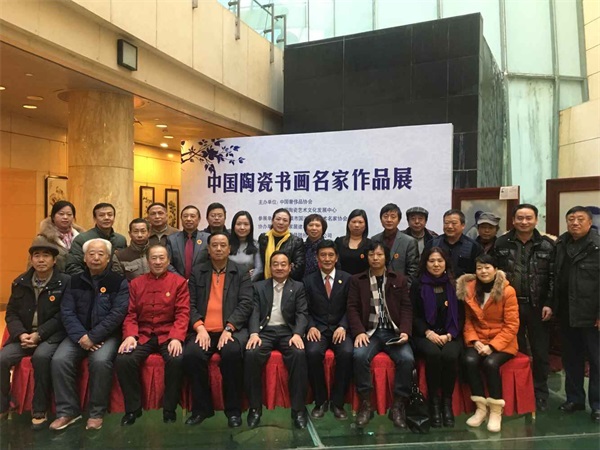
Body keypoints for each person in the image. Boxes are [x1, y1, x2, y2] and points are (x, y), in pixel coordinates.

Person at [50, 238, 129, 431]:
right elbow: (67, 311)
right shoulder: (74, 281)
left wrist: (93, 337)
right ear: (84, 258)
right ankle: (68, 411)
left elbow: (117, 314)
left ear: (108, 258)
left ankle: (96, 413)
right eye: (91, 254)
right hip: (77, 335)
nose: (96, 258)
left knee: (100, 361)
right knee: (60, 360)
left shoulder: (119, 282)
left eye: (101, 254)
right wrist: (81, 336)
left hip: (106, 335)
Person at [183, 232, 254, 428]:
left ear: (229, 249)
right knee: (191, 354)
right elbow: (189, 304)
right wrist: (199, 327)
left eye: (223, 245)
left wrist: (229, 328)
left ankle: (234, 411)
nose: (219, 248)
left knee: (232, 354)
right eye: (214, 245)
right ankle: (201, 409)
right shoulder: (198, 272)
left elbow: (246, 303)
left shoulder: (241, 272)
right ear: (208, 249)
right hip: (203, 330)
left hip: (231, 330)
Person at [116, 245, 189, 425]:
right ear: (147, 261)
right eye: (154, 258)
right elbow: (131, 314)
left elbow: (182, 313)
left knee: (176, 359)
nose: (157, 262)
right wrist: (130, 335)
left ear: (168, 260)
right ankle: (133, 409)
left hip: (168, 333)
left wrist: (176, 337)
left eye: (161, 258)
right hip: (143, 334)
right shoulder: (136, 283)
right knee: (124, 359)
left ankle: (169, 408)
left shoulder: (179, 282)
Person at [0, 238, 69, 429]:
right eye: (36, 256)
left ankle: (40, 408)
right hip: (23, 336)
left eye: (46, 256)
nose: (41, 260)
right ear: (31, 260)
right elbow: (11, 313)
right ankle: (3, 405)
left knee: (41, 357)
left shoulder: (65, 282)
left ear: (54, 260)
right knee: (2, 359)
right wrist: (21, 334)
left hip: (50, 337)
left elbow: (63, 315)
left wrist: (39, 335)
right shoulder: (20, 282)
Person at [493, 203, 555, 411]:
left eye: (529, 218)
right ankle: (518, 392)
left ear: (536, 220)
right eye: (520, 218)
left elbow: (553, 277)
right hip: (510, 306)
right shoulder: (502, 243)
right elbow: (494, 276)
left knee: (540, 351)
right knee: (514, 351)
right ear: (513, 220)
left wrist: (549, 303)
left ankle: (540, 393)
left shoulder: (547, 245)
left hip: (538, 306)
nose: (524, 222)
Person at [347, 241, 414, 428]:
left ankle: (398, 405)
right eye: (371, 255)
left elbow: (406, 307)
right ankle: (366, 404)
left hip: (393, 332)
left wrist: (405, 331)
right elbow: (352, 308)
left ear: (386, 257)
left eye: (379, 255)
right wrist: (359, 332)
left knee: (407, 359)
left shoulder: (398, 279)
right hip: (370, 332)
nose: (375, 258)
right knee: (359, 356)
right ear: (366, 257)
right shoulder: (357, 280)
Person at [244, 251, 309, 429]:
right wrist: (254, 333)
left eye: (283, 264)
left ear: (290, 267)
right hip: (264, 331)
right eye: (275, 264)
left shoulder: (298, 287)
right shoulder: (258, 286)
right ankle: (255, 408)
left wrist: (298, 333)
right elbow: (254, 312)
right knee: (251, 354)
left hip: (288, 332)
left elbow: (302, 313)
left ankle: (298, 410)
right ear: (270, 267)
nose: (279, 268)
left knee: (299, 354)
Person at [457, 254, 519, 433]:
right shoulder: (469, 289)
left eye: (487, 267)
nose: (483, 271)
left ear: (496, 269)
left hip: (503, 341)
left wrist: (492, 346)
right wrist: (474, 340)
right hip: (478, 339)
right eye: (479, 268)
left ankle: (496, 411)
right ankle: (481, 408)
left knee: (490, 363)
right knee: (469, 360)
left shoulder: (508, 291)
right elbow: (468, 320)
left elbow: (512, 325)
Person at [554, 206, 600, 422]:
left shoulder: (597, 246)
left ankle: (598, 405)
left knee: (597, 361)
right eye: (571, 219)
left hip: (592, 314)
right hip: (567, 312)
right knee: (571, 358)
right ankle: (574, 399)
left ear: (590, 223)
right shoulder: (561, 244)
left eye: (580, 219)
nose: (575, 223)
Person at [410, 246, 463, 428]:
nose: (436, 264)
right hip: (425, 334)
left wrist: (450, 334)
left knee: (450, 355)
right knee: (433, 354)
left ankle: (446, 403)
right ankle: (433, 402)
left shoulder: (454, 284)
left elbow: (461, 315)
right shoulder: (417, 284)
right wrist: (428, 332)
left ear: (446, 263)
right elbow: (413, 315)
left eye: (440, 261)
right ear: (425, 263)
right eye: (431, 261)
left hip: (450, 333)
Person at [304, 240, 353, 420]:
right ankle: (321, 401)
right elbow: (304, 309)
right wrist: (311, 326)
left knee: (347, 352)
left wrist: (343, 326)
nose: (327, 259)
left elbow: (351, 307)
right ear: (317, 258)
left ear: (336, 257)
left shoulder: (347, 279)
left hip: (340, 328)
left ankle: (338, 403)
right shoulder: (308, 280)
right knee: (312, 352)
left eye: (331, 255)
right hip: (318, 328)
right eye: (323, 255)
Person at [65, 203, 127, 275]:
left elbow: (124, 264)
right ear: (95, 218)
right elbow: (73, 266)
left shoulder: (120, 240)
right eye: (101, 215)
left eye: (110, 215)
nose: (106, 218)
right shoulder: (82, 239)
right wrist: (88, 279)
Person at [425, 209, 483, 278]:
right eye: (446, 223)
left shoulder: (473, 246)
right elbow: (423, 268)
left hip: (463, 284)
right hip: (436, 283)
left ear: (463, 225)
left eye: (454, 223)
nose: (450, 226)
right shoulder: (433, 244)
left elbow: (479, 270)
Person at [371, 203, 419, 281]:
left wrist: (405, 287)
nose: (389, 220)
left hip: (400, 286)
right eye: (385, 216)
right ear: (381, 220)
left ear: (399, 220)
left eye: (393, 217)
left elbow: (413, 270)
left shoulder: (409, 242)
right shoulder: (374, 239)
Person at [36, 200, 84, 271]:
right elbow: (33, 264)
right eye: (61, 214)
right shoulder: (42, 239)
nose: (65, 217)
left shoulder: (82, 237)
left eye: (69, 214)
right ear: (53, 217)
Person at [258, 208, 305, 281]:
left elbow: (298, 266)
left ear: (289, 223)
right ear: (272, 221)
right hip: (264, 282)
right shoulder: (263, 238)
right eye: (278, 219)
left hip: (287, 282)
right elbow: (260, 262)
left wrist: (280, 276)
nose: (281, 222)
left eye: (285, 220)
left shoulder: (296, 241)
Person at [166, 205, 209, 279]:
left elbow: (211, 261)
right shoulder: (172, 239)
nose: (188, 219)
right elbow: (168, 263)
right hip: (178, 281)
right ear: (181, 219)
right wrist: (180, 280)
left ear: (199, 219)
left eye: (192, 216)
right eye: (185, 216)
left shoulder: (207, 238)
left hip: (201, 281)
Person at [334, 209, 371, 275]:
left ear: (365, 225)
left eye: (360, 222)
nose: (356, 225)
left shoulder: (370, 244)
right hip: (341, 279)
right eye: (354, 222)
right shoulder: (339, 242)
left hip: (363, 280)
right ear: (348, 224)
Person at [229, 211, 263, 282]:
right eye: (239, 224)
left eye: (246, 224)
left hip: (248, 284)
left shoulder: (256, 245)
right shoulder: (226, 244)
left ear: (251, 227)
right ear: (233, 226)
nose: (242, 227)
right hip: (228, 283)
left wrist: (245, 281)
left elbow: (259, 269)